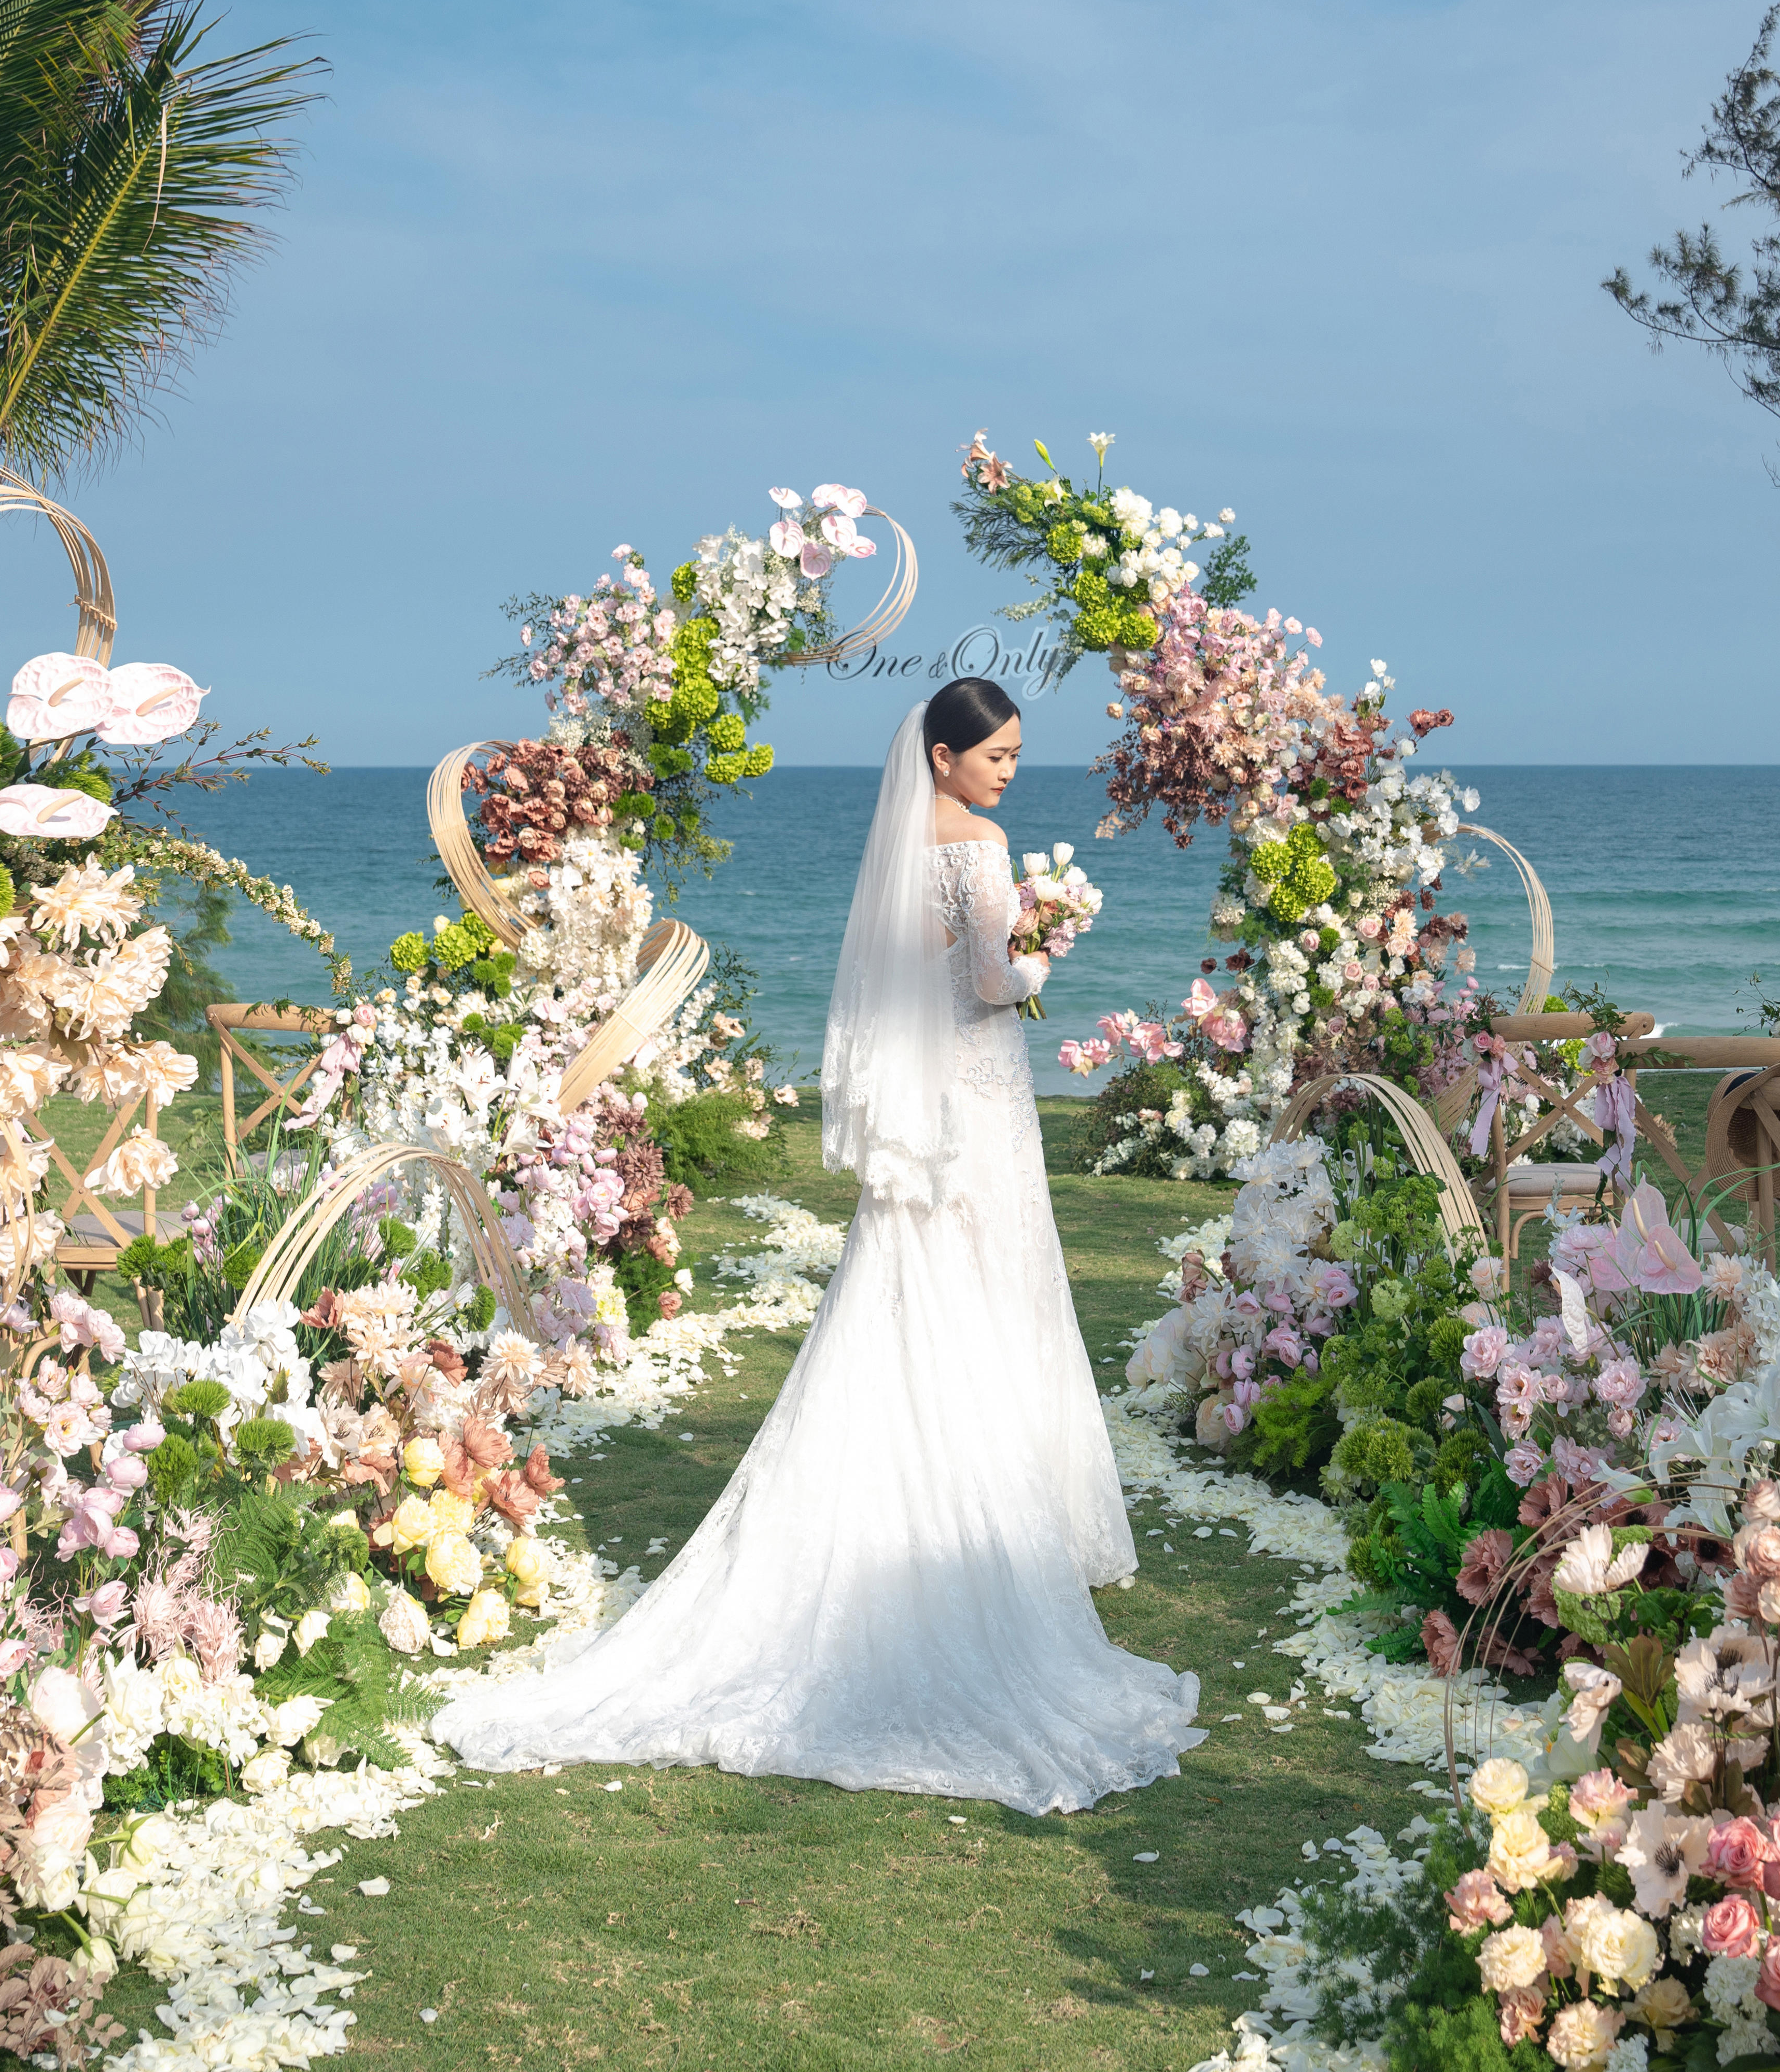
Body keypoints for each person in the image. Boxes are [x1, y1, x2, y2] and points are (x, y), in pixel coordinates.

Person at [425, 678, 1206, 1811]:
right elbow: (991, 982)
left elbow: (907, 985)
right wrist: (1045, 957)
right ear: (941, 757)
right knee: (1000, 1295)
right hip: (978, 1111)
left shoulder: (901, 844)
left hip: (924, 1122)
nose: (1006, 773)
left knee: (912, 1291)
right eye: (992, 756)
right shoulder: (978, 844)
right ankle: (1013, 1522)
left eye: (1014, 757)